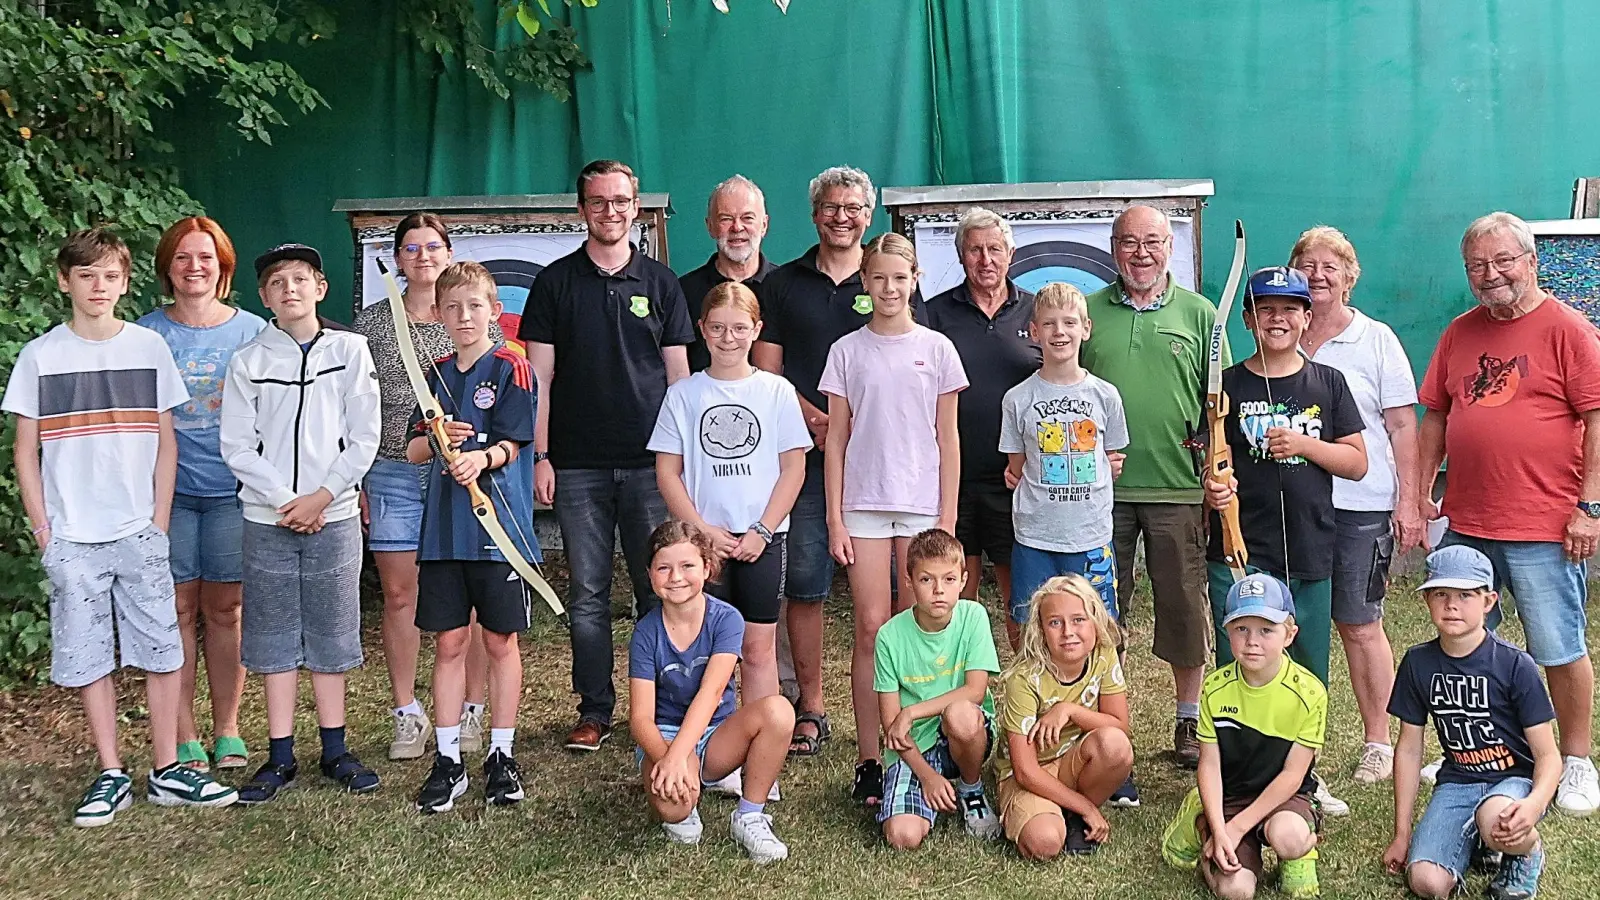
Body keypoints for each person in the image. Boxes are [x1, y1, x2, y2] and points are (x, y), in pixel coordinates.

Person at [4, 228, 237, 826]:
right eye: (85, 276)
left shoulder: (148, 348)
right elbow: (24, 451)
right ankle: (111, 771)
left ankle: (166, 771)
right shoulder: (40, 356)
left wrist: (157, 523)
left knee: (162, 650)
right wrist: (43, 530)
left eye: (109, 276)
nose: (98, 287)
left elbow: (166, 444)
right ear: (65, 281)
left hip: (139, 530)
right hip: (73, 537)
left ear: (125, 282)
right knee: (89, 657)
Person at [1416, 211, 1600, 816]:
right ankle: (1480, 753)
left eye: (1502, 261)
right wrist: (1420, 491)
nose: (1490, 274)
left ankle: (1574, 761)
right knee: (1468, 647)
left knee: (1558, 645)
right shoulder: (1459, 332)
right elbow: (1437, 415)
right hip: (1468, 521)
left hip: (1546, 524)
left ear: (1531, 261)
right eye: (1476, 266)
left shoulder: (1568, 330)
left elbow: (1597, 418)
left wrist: (1589, 507)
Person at [519, 159, 693, 752]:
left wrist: (682, 459)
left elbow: (679, 381)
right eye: (599, 202)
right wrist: (541, 455)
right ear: (581, 210)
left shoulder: (662, 283)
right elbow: (538, 377)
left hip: (651, 468)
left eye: (621, 201)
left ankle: (664, 704)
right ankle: (594, 708)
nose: (611, 211)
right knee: (587, 594)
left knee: (659, 589)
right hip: (577, 466)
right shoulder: (554, 283)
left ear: (635, 207)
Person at [221, 243, 381, 803]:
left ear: (321, 287)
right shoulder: (249, 360)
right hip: (268, 520)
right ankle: (280, 754)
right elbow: (237, 446)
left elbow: (365, 436)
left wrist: (323, 495)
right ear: (264, 297)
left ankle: (335, 749)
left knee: (332, 631)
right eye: (276, 283)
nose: (289, 289)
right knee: (272, 634)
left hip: (332, 516)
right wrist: (288, 502)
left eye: (300, 279)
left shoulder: (352, 350)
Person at [818, 233, 967, 806]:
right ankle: (870, 758)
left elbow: (947, 437)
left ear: (915, 280)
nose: (889, 288)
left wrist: (946, 515)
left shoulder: (937, 349)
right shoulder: (847, 352)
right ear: (865, 283)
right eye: (878, 278)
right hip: (863, 505)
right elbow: (836, 440)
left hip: (922, 504)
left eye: (898, 278)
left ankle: (923, 748)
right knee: (872, 628)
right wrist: (834, 517)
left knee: (917, 628)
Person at [353, 213, 504, 761]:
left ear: (447, 253)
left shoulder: (465, 318)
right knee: (400, 594)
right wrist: (359, 477)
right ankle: (406, 712)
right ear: (396, 259)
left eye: (433, 246)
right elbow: (356, 406)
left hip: (460, 474)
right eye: (411, 247)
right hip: (392, 469)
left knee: (466, 594)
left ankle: (469, 708)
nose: (422, 256)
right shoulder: (369, 325)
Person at [1079, 204, 1221, 769]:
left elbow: (1217, 407)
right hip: (1096, 493)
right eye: (1129, 241)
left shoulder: (1199, 314)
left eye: (1153, 242)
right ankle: (1098, 717)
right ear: (1113, 247)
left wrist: (1214, 471)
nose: (1141, 253)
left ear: (1171, 247)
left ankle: (1188, 720)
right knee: (1099, 609)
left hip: (1177, 487)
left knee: (1184, 605)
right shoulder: (1087, 313)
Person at [753, 164, 878, 760]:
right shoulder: (782, 284)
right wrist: (816, 419)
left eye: (853, 207)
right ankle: (811, 705)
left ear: (868, 215)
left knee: (887, 594)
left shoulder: (888, 277)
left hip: (876, 460)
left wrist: (855, 428)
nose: (841, 216)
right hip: (803, 454)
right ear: (814, 214)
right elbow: (766, 366)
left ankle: (893, 700)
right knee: (804, 585)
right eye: (831, 206)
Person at [407, 262, 542, 813]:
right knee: (448, 644)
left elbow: (516, 442)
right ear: (439, 314)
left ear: (494, 311)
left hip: (497, 531)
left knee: (500, 642)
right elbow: (414, 450)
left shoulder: (513, 366)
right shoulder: (433, 374)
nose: (464, 317)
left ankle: (502, 754)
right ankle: (447, 760)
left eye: (475, 306)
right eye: (453, 308)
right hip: (442, 535)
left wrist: (480, 457)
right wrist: (440, 442)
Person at [999, 282, 1137, 807]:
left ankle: (1107, 747)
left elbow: (1114, 457)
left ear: (1086, 329)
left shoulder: (1105, 396)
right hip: (1036, 536)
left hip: (1089, 538)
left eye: (1069, 322)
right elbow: (1014, 467)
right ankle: (1029, 743)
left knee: (1096, 635)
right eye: (1049, 323)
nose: (1059, 332)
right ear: (1033, 332)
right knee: (1032, 632)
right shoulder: (1019, 399)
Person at [1291, 226, 1420, 786]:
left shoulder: (1375, 339)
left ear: (1350, 275)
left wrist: (1410, 500)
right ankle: (1291, 735)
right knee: (1293, 621)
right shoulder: (1281, 328)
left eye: (1330, 266)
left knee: (1358, 622)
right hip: (1294, 502)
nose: (1318, 276)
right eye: (1307, 265)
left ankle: (1378, 740)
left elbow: (1400, 423)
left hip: (1359, 505)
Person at [138, 217, 265, 772]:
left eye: (206, 257)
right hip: (164, 495)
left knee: (226, 610)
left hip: (231, 494)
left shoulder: (254, 332)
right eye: (184, 257)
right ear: (167, 267)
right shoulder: (143, 335)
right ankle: (183, 734)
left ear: (223, 267)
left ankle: (228, 729)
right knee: (174, 609)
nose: (195, 267)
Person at [649, 282, 810, 701]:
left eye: (739, 328)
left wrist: (763, 529)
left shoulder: (776, 391)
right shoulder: (683, 395)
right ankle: (708, 737)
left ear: (757, 329)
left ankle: (759, 742)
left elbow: (794, 468)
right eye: (718, 328)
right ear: (702, 329)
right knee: (706, 648)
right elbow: (668, 472)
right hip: (704, 544)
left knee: (758, 648)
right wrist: (701, 532)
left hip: (762, 539)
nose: (728, 339)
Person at [1383, 546, 1559, 900]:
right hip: (1458, 782)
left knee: (1497, 820)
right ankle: (1478, 841)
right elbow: (1409, 748)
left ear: (1489, 601)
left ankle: (1525, 854)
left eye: (1466, 595)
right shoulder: (1418, 662)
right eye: (1441, 594)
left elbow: (1548, 755)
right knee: (1427, 884)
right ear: (1426, 600)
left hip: (1513, 780)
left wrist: (1535, 803)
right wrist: (1402, 833)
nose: (1452, 605)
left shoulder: (1514, 664)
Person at [629, 520, 796, 864]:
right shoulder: (646, 632)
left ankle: (750, 814)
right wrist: (669, 756)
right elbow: (640, 719)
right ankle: (687, 787)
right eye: (664, 568)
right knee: (675, 811)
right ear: (650, 575)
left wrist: (681, 757)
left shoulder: (727, 619)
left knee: (779, 711)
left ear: (707, 568)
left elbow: (712, 691)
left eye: (687, 565)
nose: (676, 577)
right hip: (665, 736)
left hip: (716, 733)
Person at [1163, 573, 1327, 900]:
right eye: (1242, 629)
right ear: (1227, 632)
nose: (1253, 640)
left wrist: (1237, 828)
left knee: (1290, 837)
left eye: (1267, 630)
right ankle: (1202, 821)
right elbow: (1209, 765)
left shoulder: (1310, 693)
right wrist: (1224, 830)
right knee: (1236, 891)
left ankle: (1299, 852)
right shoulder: (1214, 688)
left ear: (1289, 634)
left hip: (1284, 796)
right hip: (1232, 795)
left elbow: (1293, 775)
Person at [921, 207, 1039, 627]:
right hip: (953, 479)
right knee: (953, 596)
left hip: (1017, 480)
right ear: (960, 256)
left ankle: (1027, 689)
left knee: (1021, 601)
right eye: (974, 250)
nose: (985, 260)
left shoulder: (1037, 313)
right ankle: (960, 691)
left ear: (1010, 253)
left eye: (994, 249)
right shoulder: (933, 315)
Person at [872, 529, 1001, 849]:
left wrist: (912, 711)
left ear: (964, 579)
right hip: (913, 746)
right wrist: (926, 776)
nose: (939, 591)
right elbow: (892, 725)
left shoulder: (974, 616)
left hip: (965, 731)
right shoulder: (889, 636)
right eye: (927, 580)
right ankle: (933, 786)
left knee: (960, 714)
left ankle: (970, 789)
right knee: (903, 837)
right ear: (909, 581)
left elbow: (975, 690)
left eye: (948, 579)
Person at [994, 575, 1134, 859]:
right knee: (1044, 843)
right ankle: (1070, 812)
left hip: (1073, 762)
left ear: (1095, 621)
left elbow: (1120, 726)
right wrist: (1087, 807)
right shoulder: (1023, 679)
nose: (1068, 631)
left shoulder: (1103, 654)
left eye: (1079, 620)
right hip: (1029, 774)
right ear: (1041, 631)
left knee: (1116, 745)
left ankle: (1069, 814)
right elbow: (1025, 770)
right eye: (1055, 622)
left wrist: (1069, 710)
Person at [676, 175, 777, 373]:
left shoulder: (785, 288)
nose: (737, 227)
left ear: (764, 225)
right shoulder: (682, 292)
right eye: (725, 219)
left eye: (747, 218)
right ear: (710, 226)